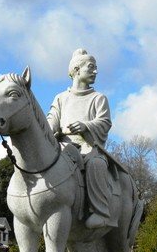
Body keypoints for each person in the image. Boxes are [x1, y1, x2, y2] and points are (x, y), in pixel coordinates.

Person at [47, 49, 112, 229]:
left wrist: (86, 126)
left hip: (88, 147)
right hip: (63, 147)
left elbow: (105, 122)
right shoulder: (61, 98)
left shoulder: (98, 98)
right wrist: (49, 129)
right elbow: (52, 118)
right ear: (76, 69)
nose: (96, 71)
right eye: (91, 67)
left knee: (96, 163)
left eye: (96, 68)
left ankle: (100, 212)